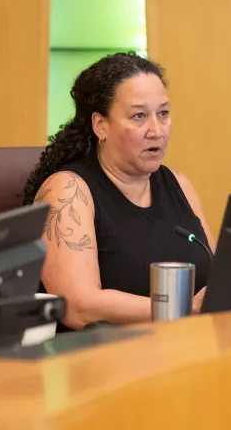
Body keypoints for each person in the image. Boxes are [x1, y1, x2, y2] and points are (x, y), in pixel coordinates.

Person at [22, 52, 215, 330]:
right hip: (101, 361)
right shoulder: (68, 191)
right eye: (139, 116)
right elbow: (78, 307)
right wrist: (183, 308)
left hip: (185, 351)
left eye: (163, 113)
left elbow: (220, 280)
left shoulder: (178, 183)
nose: (156, 131)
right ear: (100, 125)